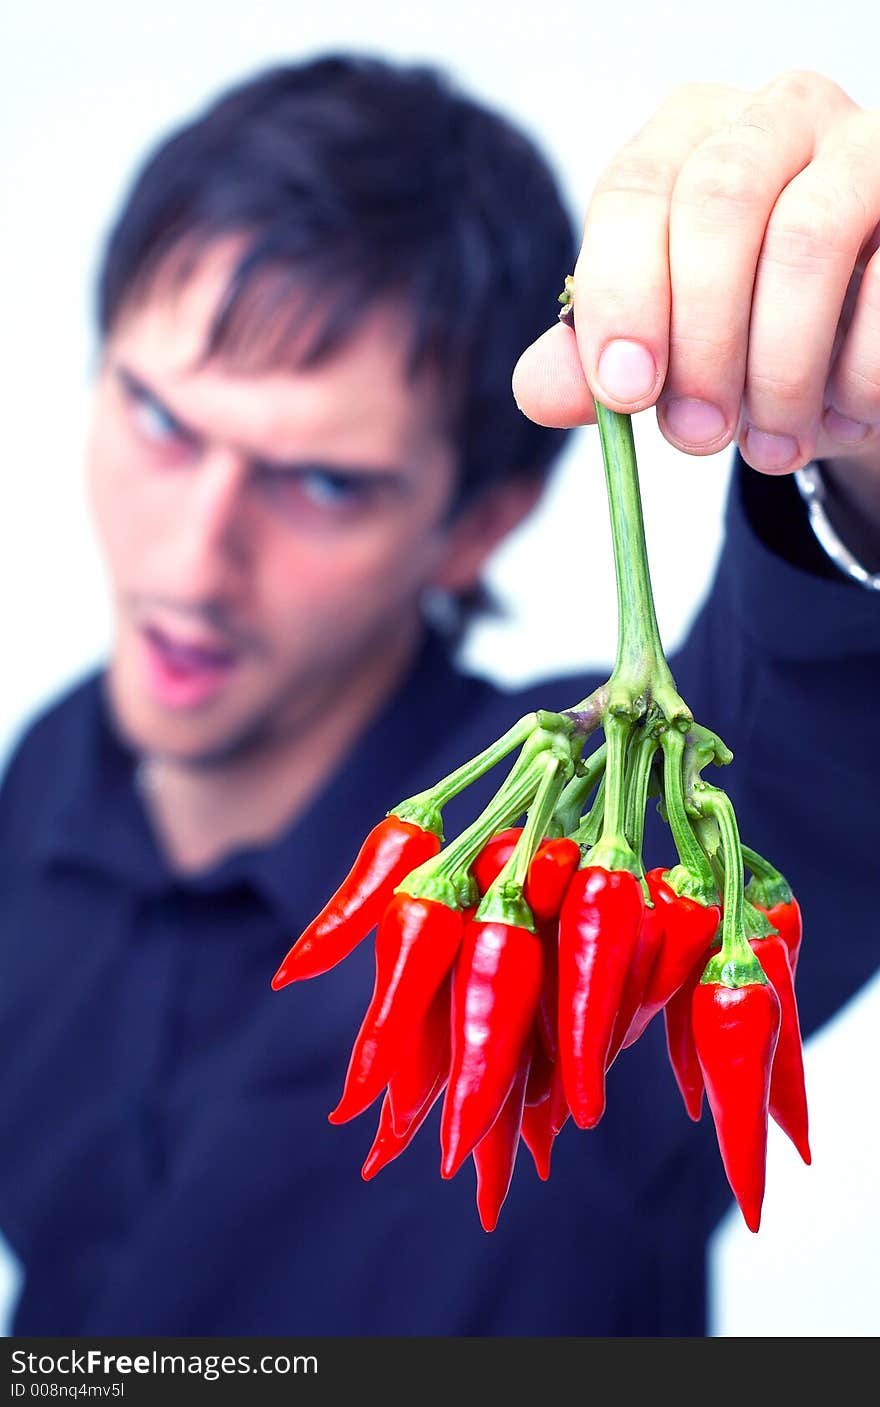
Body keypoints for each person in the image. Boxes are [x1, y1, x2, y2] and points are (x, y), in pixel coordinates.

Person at [0, 54, 876, 1337]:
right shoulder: (47, 779)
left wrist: (859, 466)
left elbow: (823, 699)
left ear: (481, 524)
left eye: (324, 484)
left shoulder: (602, 851)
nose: (193, 561)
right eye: (161, 420)